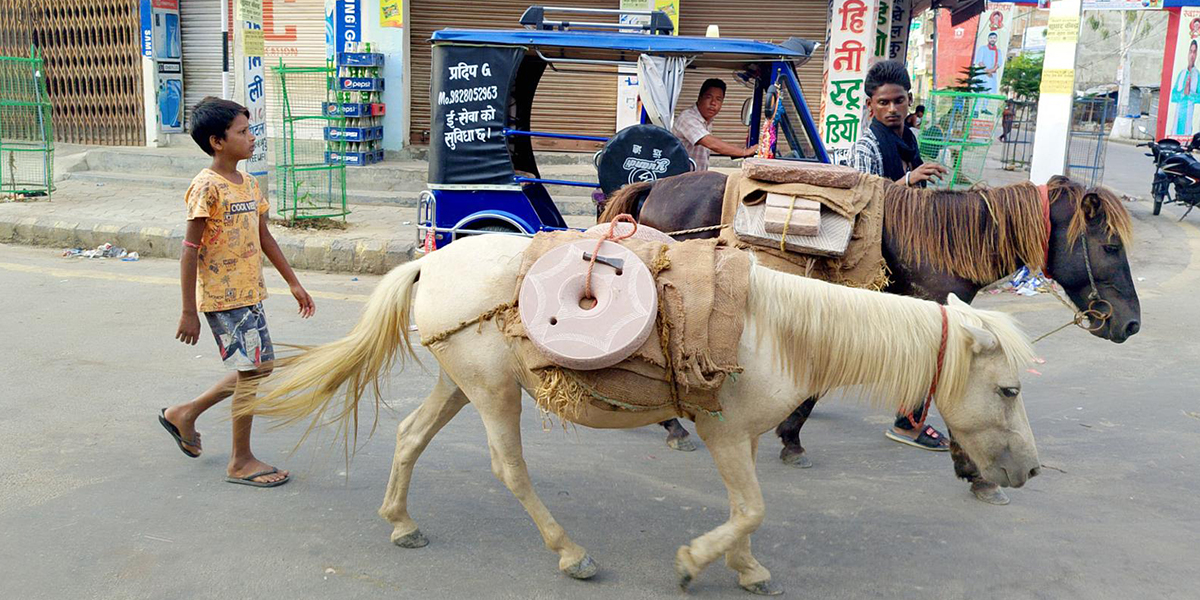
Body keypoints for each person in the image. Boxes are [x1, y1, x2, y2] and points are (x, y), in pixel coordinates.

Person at [158, 97, 316, 487]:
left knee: (258, 368)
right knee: (252, 372)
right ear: (217, 142)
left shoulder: (250, 183)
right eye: (243, 132)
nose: (252, 137)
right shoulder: (205, 187)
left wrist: (293, 282)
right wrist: (188, 311)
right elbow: (189, 250)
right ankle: (240, 460)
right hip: (223, 297)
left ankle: (185, 413)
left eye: (250, 130)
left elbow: (264, 237)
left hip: (250, 294)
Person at [848, 60, 951, 451]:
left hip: (909, 252)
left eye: (900, 102)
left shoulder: (910, 140)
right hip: (876, 258)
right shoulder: (867, 145)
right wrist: (909, 181)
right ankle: (908, 422)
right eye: (884, 103)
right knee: (926, 338)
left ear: (910, 101)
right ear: (870, 105)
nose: (892, 110)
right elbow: (863, 203)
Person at [672, 78, 755, 171]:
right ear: (700, 98)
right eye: (708, 97)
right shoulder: (687, 118)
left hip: (697, 178)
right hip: (681, 180)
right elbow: (711, 143)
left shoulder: (707, 121)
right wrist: (744, 152)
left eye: (718, 99)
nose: (713, 103)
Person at [1173, 39, 1200, 136]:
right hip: (1179, 112)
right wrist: (1183, 93)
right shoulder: (1182, 73)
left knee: (1186, 135)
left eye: (1194, 52)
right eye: (1190, 52)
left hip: (1189, 112)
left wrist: (1189, 95)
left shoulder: (1197, 75)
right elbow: (1173, 95)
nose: (1192, 55)